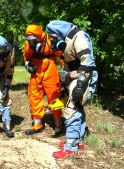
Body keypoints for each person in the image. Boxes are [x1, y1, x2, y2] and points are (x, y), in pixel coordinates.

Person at [46, 20, 98, 159]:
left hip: (84, 76)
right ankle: (78, 141)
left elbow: (87, 61)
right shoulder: (67, 42)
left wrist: (80, 85)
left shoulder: (78, 36)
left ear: (58, 33)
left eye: (52, 38)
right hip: (76, 77)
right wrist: (65, 86)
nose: (52, 42)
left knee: (71, 109)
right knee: (78, 109)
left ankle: (70, 148)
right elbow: (68, 68)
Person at [23, 24, 66, 136]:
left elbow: (62, 54)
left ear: (38, 36)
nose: (31, 42)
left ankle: (58, 124)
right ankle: (37, 125)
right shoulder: (28, 42)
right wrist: (28, 65)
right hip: (36, 70)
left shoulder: (50, 39)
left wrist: (64, 70)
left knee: (54, 96)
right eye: (29, 39)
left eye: (33, 39)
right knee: (34, 96)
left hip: (50, 69)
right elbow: (26, 56)